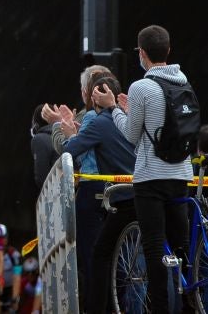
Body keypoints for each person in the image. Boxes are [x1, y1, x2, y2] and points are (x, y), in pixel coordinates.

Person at [105, 24, 196, 314]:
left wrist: (115, 110)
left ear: (142, 53)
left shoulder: (141, 87)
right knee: (182, 247)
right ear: (168, 51)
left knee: (155, 248)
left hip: (151, 178)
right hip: (182, 174)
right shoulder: (184, 82)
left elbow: (132, 135)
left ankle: (159, 309)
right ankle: (191, 304)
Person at [51, 72, 135, 314]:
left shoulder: (96, 121)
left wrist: (66, 132)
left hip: (116, 195)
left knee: (98, 256)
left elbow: (69, 151)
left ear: (94, 97)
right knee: (137, 257)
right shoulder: (129, 118)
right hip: (142, 190)